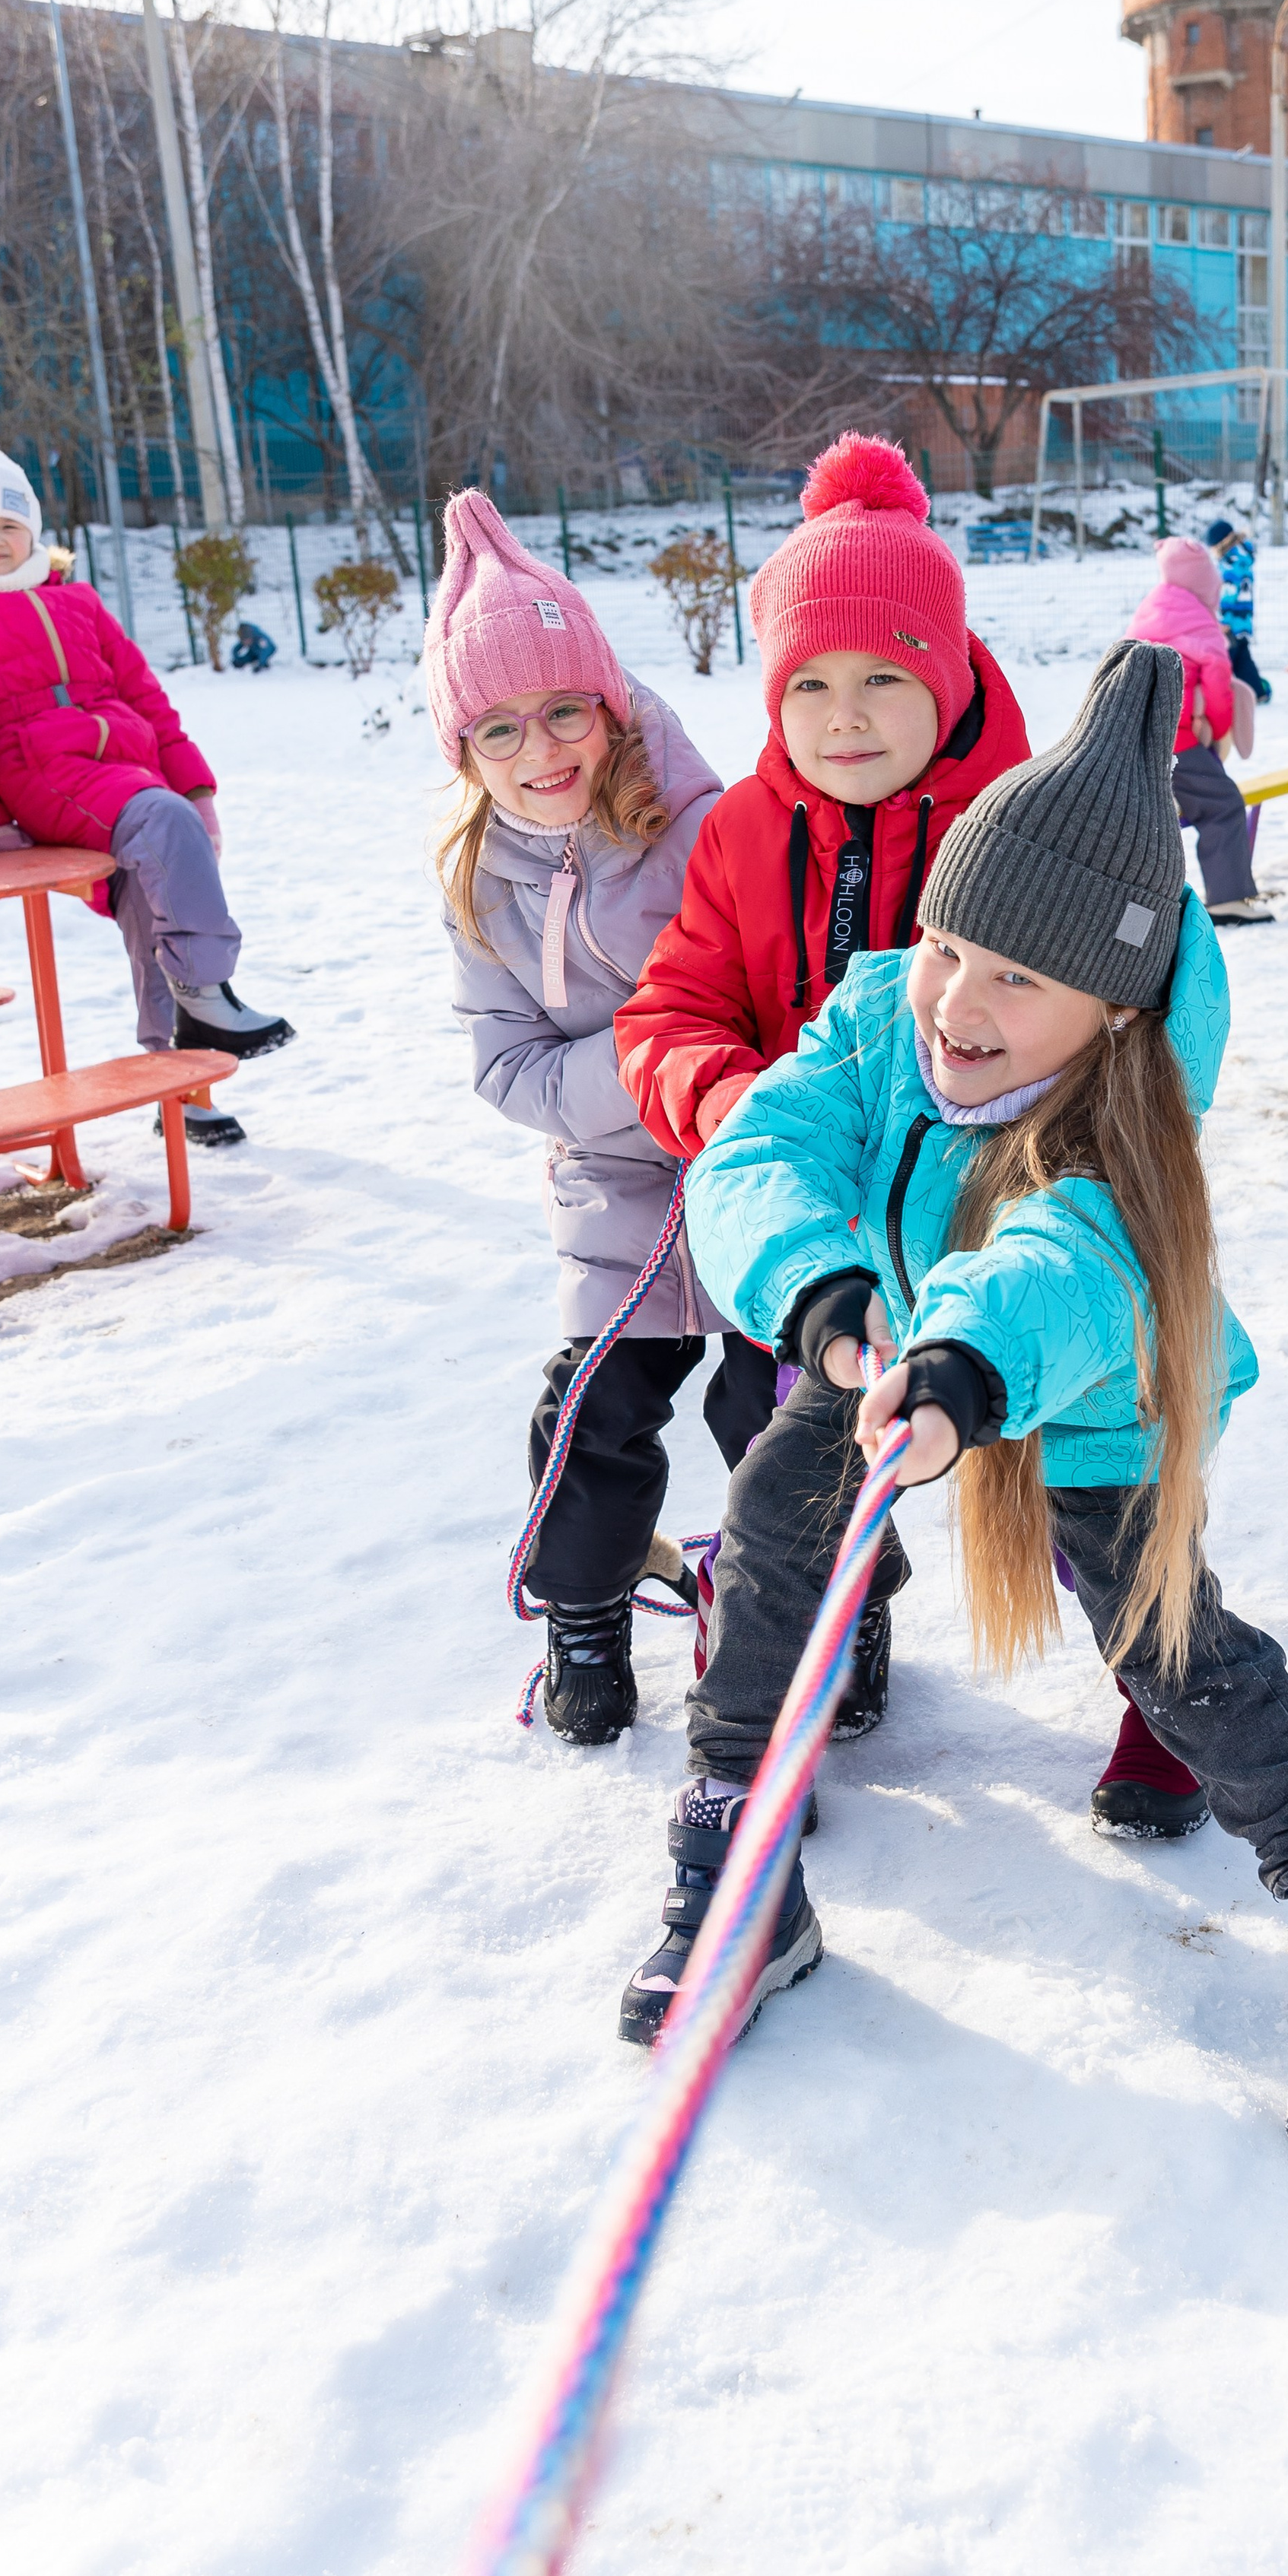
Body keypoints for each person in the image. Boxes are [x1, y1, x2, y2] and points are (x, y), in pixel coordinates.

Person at [619, 640, 1288, 2163]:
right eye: (952, 942)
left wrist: (957, 1366)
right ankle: (739, 1867)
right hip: (883, 1338)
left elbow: (1064, 1271)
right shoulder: (886, 1011)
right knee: (766, 1522)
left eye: (1020, 976)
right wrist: (827, 1308)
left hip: (1078, 1385)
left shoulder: (1124, 1117)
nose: (959, 997)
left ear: (1111, 1006)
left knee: (1163, 1642)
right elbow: (758, 1153)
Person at [614, 433, 1034, 1754]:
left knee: (1072, 1461)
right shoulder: (744, 831)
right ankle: (836, 1618)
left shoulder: (1010, 829)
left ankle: (1163, 1684)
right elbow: (669, 1008)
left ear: (950, 677)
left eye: (882, 679)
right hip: (807, 1219)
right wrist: (733, 1100)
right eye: (810, 683)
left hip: (977, 1207)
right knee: (772, 1420)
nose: (843, 715)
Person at [428, 490, 753, 1746]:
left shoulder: (705, 828)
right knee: (594, 1407)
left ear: (610, 707)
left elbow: (766, 995)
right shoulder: (475, 883)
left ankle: (840, 1603)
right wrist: (646, 1066)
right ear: (464, 750)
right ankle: (584, 1615)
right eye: (500, 727)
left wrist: (706, 1075)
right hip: (614, 1191)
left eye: (565, 708)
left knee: (778, 1408)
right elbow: (507, 1067)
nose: (541, 747)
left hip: (748, 1169)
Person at [0, 448, 290, 1146]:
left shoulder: (78, 600)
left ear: (34, 531)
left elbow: (146, 696)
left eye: (8, 524)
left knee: (154, 907)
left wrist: (197, 789)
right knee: (160, 822)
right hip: (42, 768)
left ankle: (181, 1090)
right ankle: (208, 993)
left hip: (126, 764)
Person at [1125, 535, 1274, 926]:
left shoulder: (1147, 612)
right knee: (1223, 803)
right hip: (1176, 743)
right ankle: (1229, 899)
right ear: (1206, 587)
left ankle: (1172, 798)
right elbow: (1221, 694)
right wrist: (1217, 739)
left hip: (1129, 738)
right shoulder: (1203, 628)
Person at [1202, 515, 1271, 704]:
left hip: (1231, 619)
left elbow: (1228, 595)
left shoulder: (1231, 562)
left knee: (1225, 659)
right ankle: (1257, 692)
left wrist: (1223, 621)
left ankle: (1218, 696)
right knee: (1242, 658)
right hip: (1243, 617)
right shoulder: (1242, 555)